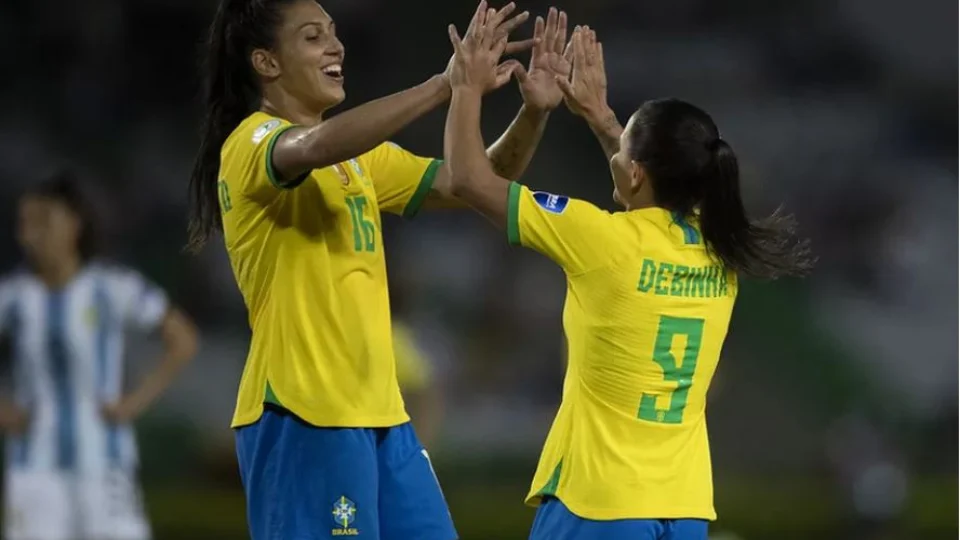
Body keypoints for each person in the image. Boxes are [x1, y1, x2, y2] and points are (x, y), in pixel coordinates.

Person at [185, 1, 573, 538]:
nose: (336, 47)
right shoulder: (250, 144)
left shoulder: (361, 161)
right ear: (266, 63)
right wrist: (445, 85)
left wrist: (533, 112)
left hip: (383, 415)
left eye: (335, 34)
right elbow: (317, 144)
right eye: (313, 36)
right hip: (304, 411)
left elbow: (476, 181)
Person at [443, 21, 815, 540]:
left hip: (599, 503)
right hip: (683, 508)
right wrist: (603, 120)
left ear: (637, 171)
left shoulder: (599, 239)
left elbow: (466, 178)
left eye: (622, 153)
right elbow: (659, 185)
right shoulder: (721, 251)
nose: (614, 156)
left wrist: (464, 86)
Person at [0, 172, 198, 540]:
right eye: (24, 224)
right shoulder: (14, 297)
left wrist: (134, 402)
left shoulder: (112, 288)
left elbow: (183, 338)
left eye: (42, 221)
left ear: (74, 225)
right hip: (34, 469)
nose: (29, 235)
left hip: (104, 464)